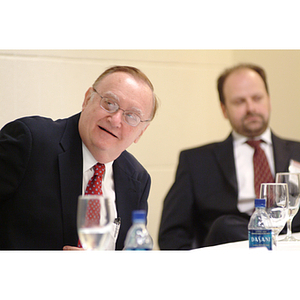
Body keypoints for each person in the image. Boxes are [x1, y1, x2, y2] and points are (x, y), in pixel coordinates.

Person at [0, 65, 158, 250]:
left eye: (131, 116)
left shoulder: (138, 179)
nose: (115, 120)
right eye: (109, 103)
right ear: (87, 99)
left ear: (141, 132)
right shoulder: (30, 141)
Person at [159, 63, 300, 250]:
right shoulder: (196, 162)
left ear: (269, 100)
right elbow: (172, 234)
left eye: (257, 98)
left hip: (290, 251)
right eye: (239, 101)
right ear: (224, 109)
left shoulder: (297, 152)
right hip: (228, 251)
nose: (251, 108)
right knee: (225, 226)